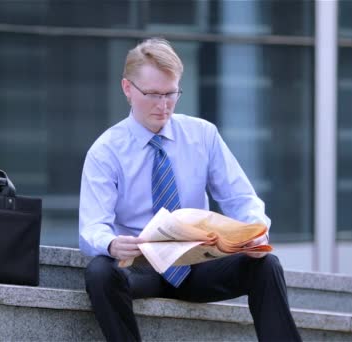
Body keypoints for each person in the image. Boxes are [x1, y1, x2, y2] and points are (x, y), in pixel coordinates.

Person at [79, 37, 301, 342]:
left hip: (197, 264)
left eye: (171, 93)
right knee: (100, 274)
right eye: (153, 94)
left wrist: (255, 231)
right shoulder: (105, 151)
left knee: (266, 264)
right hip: (141, 268)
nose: (164, 105)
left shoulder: (203, 135)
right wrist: (112, 243)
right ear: (128, 89)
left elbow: (241, 198)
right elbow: (92, 226)